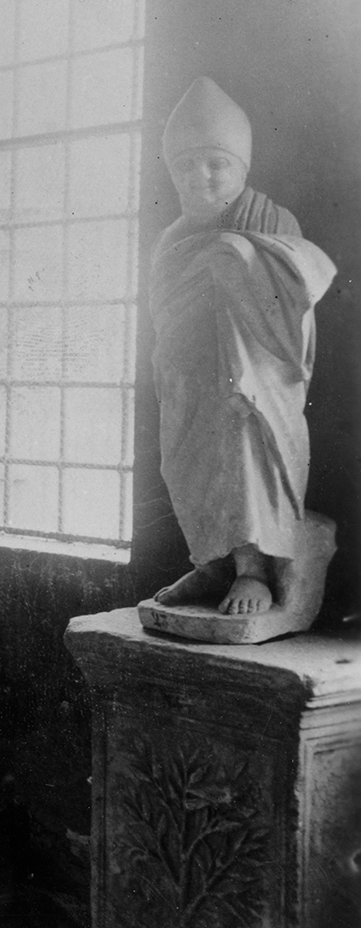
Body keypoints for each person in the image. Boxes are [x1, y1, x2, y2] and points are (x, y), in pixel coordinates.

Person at [148, 78, 335, 618]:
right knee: (189, 468)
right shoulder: (171, 237)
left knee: (239, 453)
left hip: (252, 382)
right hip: (190, 380)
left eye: (216, 163)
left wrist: (233, 255)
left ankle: (253, 570)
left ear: (241, 168)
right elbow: (165, 310)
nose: (200, 176)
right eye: (186, 166)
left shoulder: (270, 222)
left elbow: (295, 296)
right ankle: (213, 565)